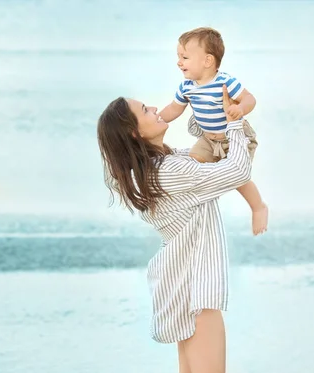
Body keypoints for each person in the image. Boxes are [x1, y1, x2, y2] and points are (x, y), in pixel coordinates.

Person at [97, 84, 248, 373]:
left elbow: (204, 155)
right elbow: (237, 170)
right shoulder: (169, 171)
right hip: (196, 289)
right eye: (145, 110)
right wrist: (235, 122)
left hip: (182, 284)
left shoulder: (154, 169)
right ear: (135, 132)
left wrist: (208, 111)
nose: (154, 108)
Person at [159, 26, 268, 236]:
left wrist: (240, 108)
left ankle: (258, 207)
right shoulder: (186, 86)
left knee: (239, 178)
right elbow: (175, 109)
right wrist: (157, 119)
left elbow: (249, 98)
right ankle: (199, 202)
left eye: (184, 57)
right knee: (194, 162)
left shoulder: (224, 82)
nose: (179, 62)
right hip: (208, 138)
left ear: (207, 61)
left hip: (232, 139)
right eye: (178, 57)